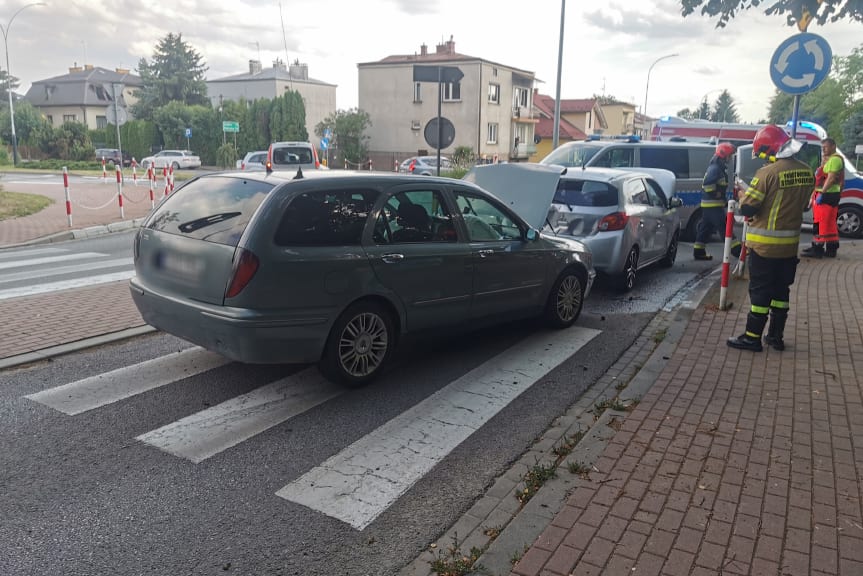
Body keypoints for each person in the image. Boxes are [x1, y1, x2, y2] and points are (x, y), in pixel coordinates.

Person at [727, 125, 815, 352]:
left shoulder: (767, 173)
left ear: (771, 150)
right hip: (789, 248)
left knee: (759, 292)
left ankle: (752, 337)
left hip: (764, 247)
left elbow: (748, 208)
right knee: (781, 292)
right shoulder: (807, 172)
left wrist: (743, 195)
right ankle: (775, 337)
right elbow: (805, 205)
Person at [693, 142, 741, 260]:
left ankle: (698, 251)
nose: (730, 159)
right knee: (724, 228)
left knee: (705, 228)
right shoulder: (715, 168)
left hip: (710, 205)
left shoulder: (716, 167)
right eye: (730, 156)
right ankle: (737, 251)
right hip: (713, 206)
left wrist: (723, 200)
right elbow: (708, 185)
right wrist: (717, 194)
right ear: (723, 155)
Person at [801, 137, 845, 258]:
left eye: (825, 147)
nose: (823, 150)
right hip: (830, 195)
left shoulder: (835, 160)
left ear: (833, 146)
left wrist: (822, 194)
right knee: (829, 223)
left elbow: (830, 178)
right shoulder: (832, 159)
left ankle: (817, 249)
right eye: (822, 147)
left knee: (820, 223)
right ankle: (831, 249)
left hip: (826, 195)